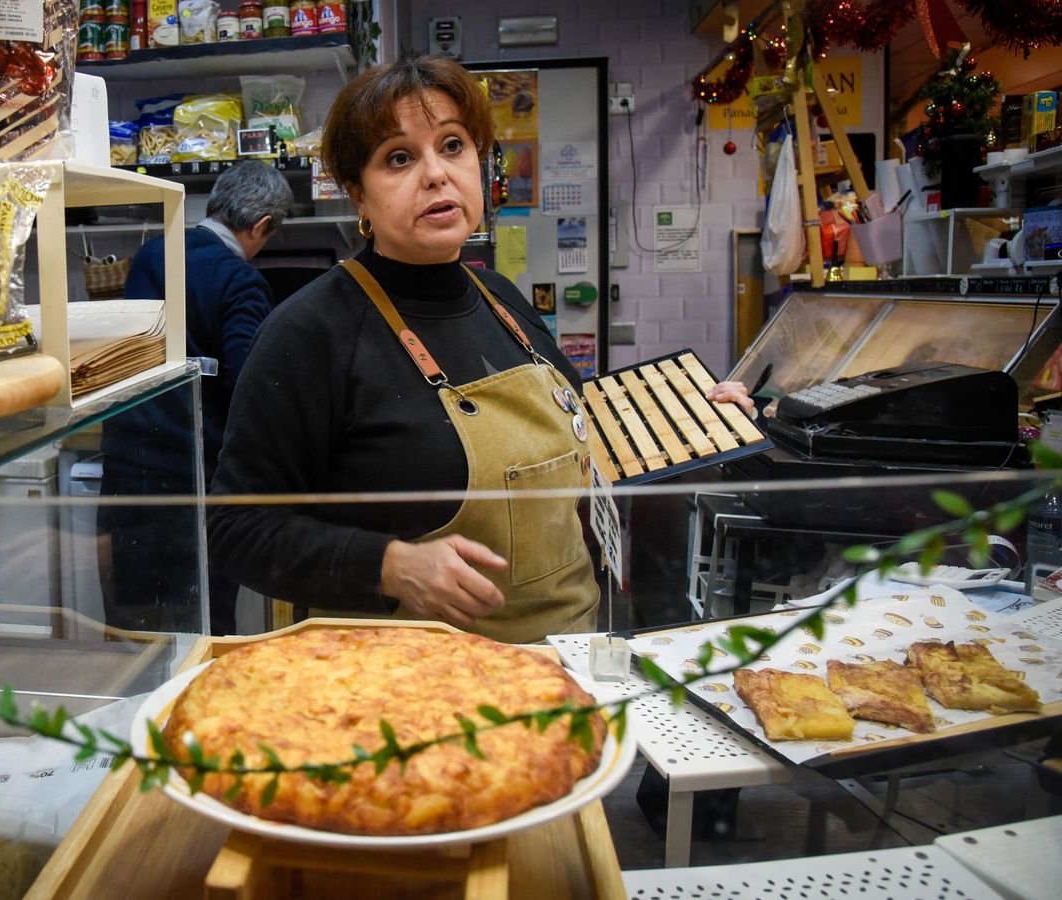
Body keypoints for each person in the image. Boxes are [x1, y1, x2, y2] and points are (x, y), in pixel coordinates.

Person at [207, 55, 751, 643]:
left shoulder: (500, 297)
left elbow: (578, 427)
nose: (436, 174)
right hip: (407, 688)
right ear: (357, 195)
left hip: (565, 658)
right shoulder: (311, 331)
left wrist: (691, 417)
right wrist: (389, 566)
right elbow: (236, 528)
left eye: (453, 146)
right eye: (399, 158)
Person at [98, 160, 295, 635]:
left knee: (135, 624)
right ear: (262, 226)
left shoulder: (151, 256)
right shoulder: (240, 280)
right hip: (197, 476)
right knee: (204, 621)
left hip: (131, 469)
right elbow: (246, 386)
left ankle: (140, 709)